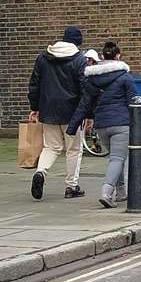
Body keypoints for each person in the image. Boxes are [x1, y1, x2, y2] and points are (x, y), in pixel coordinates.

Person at [73, 40, 140, 208]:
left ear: (102, 56)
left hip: (102, 125)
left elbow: (84, 104)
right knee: (117, 159)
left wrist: (72, 126)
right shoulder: (125, 77)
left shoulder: (92, 79)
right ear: (118, 56)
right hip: (121, 123)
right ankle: (106, 192)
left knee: (115, 159)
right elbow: (135, 103)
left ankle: (122, 192)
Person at [26, 26, 88, 201]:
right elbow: (85, 88)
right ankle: (71, 186)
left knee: (51, 147)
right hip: (73, 112)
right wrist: (88, 113)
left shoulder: (43, 58)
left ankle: (40, 172)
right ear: (77, 42)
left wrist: (35, 107)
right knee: (73, 149)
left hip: (48, 109)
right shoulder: (79, 60)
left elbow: (34, 85)